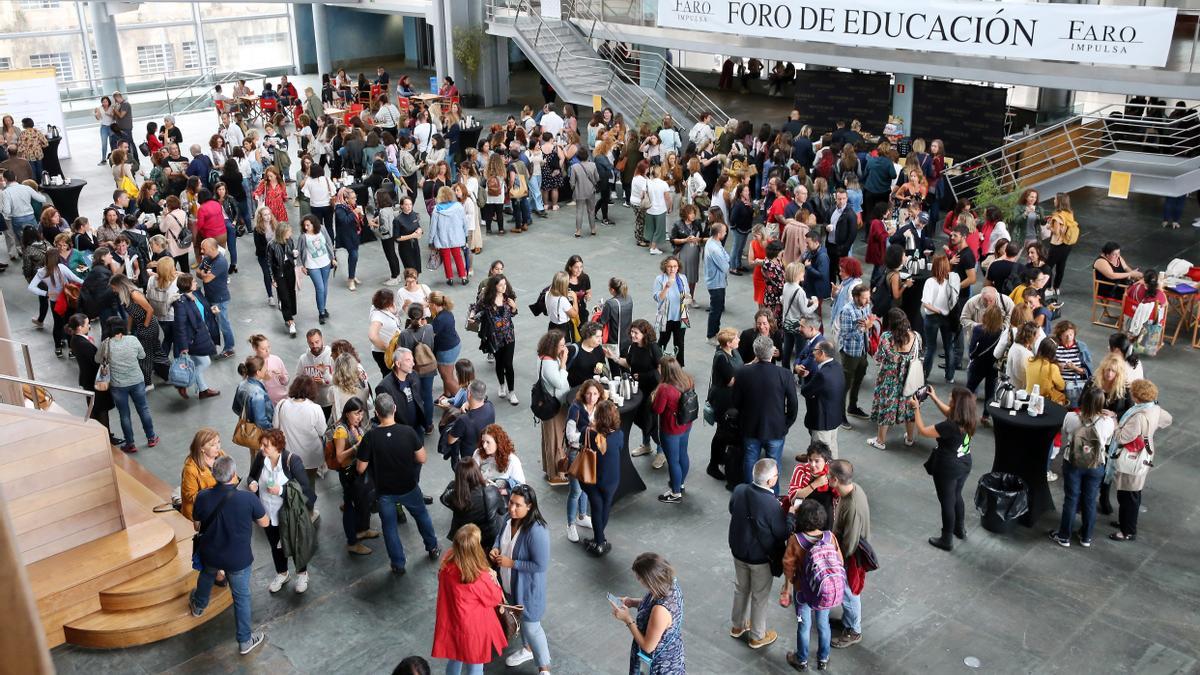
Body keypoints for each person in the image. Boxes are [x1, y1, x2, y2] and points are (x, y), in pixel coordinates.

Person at [188, 455, 269, 655]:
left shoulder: (203, 496)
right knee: (241, 597)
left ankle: (198, 606)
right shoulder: (247, 499)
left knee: (207, 575)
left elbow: (197, 525)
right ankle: (244, 641)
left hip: (211, 554)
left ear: (214, 475)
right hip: (238, 559)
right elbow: (265, 523)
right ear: (233, 475)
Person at [357, 394, 441, 574]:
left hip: (385, 492)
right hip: (409, 486)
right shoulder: (408, 432)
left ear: (377, 413)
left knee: (389, 528)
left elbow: (360, 468)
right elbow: (422, 458)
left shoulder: (370, 437)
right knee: (421, 516)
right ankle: (432, 547)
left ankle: (398, 564)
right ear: (394, 409)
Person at [488, 484, 552, 672]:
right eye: (510, 503)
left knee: (532, 627)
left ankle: (544, 668)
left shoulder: (537, 531)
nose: (511, 508)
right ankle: (527, 649)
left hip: (528, 590)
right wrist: (495, 547)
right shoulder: (510, 518)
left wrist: (512, 563)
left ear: (530, 506)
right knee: (520, 619)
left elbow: (541, 565)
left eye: (517, 505)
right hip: (510, 586)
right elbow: (500, 537)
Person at [246, 428, 316, 594]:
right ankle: (282, 573)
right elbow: (251, 476)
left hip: (288, 514)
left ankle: (302, 574)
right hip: (267, 514)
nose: (262, 449)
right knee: (275, 546)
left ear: (277, 446)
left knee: (295, 542)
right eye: (261, 445)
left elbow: (305, 489)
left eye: (266, 445)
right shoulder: (261, 458)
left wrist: (281, 491)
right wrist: (252, 483)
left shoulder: (292, 461)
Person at [431, 523, 507, 675]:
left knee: (455, 658)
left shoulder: (447, 561)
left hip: (453, 622)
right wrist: (494, 578)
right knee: (475, 664)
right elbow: (494, 598)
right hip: (474, 629)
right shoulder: (478, 576)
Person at [728, 458, 787, 650]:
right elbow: (781, 533)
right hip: (760, 558)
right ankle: (756, 636)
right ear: (770, 481)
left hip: (738, 551)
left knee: (741, 588)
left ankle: (737, 626)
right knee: (759, 596)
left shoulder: (739, 490)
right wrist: (792, 516)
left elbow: (732, 509)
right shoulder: (771, 505)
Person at [911, 386, 977, 551]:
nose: (949, 398)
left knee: (947, 502)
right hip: (964, 463)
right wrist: (934, 398)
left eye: (951, 398)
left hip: (947, 466)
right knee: (957, 495)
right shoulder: (968, 418)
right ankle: (959, 529)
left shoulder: (950, 427)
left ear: (957, 403)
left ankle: (946, 539)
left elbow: (924, 431)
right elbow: (949, 412)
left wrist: (916, 408)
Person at [1049, 387, 1116, 548]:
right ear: (1102, 403)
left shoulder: (1071, 417)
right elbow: (1106, 442)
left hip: (1072, 463)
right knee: (1090, 500)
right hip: (1096, 464)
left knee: (1071, 499)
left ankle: (1064, 536)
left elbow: (1066, 432)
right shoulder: (1107, 422)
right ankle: (1086, 536)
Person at [781, 498, 843, 672]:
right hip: (824, 591)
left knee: (804, 625)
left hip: (803, 592)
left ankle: (801, 659)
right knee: (823, 624)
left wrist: (789, 586)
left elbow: (788, 566)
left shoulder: (796, 540)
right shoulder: (830, 537)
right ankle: (823, 658)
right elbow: (839, 560)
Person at [1111, 379, 1171, 542]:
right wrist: (1149, 432)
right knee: (1134, 492)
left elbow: (1121, 437)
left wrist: (1115, 422)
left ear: (1137, 397)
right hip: (1145, 452)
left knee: (1127, 494)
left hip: (1132, 456)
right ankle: (1126, 523)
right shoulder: (1155, 409)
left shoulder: (1138, 416)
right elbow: (1168, 419)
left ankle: (1127, 531)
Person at [611, 552, 685, 674]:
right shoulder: (669, 583)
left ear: (650, 580)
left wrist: (627, 619)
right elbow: (650, 604)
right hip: (673, 652)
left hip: (657, 664)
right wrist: (632, 602)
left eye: (639, 578)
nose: (638, 580)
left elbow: (648, 646)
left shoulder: (660, 611)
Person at [827, 460, 870, 650]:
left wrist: (836, 561)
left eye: (829, 476)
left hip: (850, 556)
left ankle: (854, 630)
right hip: (848, 550)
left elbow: (850, 543)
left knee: (849, 592)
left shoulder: (852, 506)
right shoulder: (853, 489)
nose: (826, 478)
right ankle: (847, 622)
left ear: (835, 480)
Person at [102, 317, 159, 452]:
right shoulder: (133, 339)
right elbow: (142, 355)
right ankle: (151, 438)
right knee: (143, 409)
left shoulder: (106, 344)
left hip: (118, 385)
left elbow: (98, 359)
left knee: (124, 414)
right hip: (136, 381)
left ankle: (130, 443)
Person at [868, 310, 921, 450]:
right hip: (910, 378)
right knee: (910, 407)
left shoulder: (886, 337)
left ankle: (880, 441)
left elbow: (878, 358)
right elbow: (919, 356)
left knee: (887, 407)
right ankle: (909, 438)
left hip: (889, 379)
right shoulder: (916, 336)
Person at [651, 357, 694, 505]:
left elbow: (657, 409)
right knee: (683, 454)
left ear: (664, 370)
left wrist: (653, 397)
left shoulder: (665, 388)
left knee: (673, 461)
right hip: (686, 424)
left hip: (671, 428)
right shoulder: (687, 379)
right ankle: (680, 484)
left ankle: (675, 494)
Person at [564, 380, 604, 542]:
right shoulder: (575, 408)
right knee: (576, 491)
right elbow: (570, 436)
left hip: (590, 451)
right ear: (583, 393)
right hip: (576, 452)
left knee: (587, 487)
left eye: (595, 394)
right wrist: (589, 432)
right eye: (589, 393)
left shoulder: (599, 408)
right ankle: (570, 524)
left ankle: (582, 515)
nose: (591, 397)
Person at [68, 314, 117, 443]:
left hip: (87, 379)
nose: (89, 326)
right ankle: (107, 437)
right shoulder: (83, 344)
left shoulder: (75, 340)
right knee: (102, 408)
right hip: (94, 380)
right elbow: (96, 362)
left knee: (94, 407)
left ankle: (98, 433)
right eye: (87, 324)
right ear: (79, 327)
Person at [274, 375, 328, 483]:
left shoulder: (282, 404)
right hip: (311, 456)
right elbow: (322, 431)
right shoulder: (315, 408)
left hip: (289, 456)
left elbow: (275, 427)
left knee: (292, 484)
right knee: (310, 484)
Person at [441, 456, 506, 545]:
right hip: (488, 535)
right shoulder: (491, 492)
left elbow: (443, 499)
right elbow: (502, 511)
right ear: (477, 472)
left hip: (466, 537)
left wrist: (455, 485)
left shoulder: (455, 495)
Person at [536, 330, 571, 486]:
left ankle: (550, 468)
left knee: (550, 438)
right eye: (561, 345)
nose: (564, 348)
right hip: (555, 406)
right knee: (556, 439)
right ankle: (556, 474)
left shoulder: (544, 357)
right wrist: (563, 364)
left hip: (550, 404)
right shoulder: (550, 362)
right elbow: (559, 383)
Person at [802, 341, 847, 458]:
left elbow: (806, 391)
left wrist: (805, 378)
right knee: (832, 447)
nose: (812, 353)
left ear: (821, 353)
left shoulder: (822, 375)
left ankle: (823, 475)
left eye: (814, 351)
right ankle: (834, 472)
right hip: (834, 417)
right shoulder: (837, 366)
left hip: (822, 421)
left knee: (819, 454)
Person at [479, 273, 520, 401]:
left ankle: (512, 391)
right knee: (499, 363)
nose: (504, 287)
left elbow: (513, 313)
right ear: (494, 286)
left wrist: (514, 307)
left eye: (505, 284)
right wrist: (472, 317)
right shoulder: (487, 300)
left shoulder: (509, 298)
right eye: (500, 285)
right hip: (494, 336)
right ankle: (502, 385)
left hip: (508, 335)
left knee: (508, 363)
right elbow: (476, 309)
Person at [376, 346, 429, 434]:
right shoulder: (384, 387)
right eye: (408, 360)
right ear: (398, 363)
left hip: (417, 427)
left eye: (412, 360)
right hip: (401, 431)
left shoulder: (414, 375)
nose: (413, 364)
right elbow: (385, 415)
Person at [651, 255, 689, 366]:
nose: (672, 269)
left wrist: (687, 300)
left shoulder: (682, 278)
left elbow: (687, 295)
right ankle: (656, 363)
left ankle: (679, 366)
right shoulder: (660, 279)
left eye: (675, 266)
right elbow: (657, 298)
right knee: (663, 341)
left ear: (678, 267)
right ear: (665, 267)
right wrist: (667, 287)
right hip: (666, 317)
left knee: (679, 343)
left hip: (681, 316)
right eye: (669, 267)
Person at [298, 214, 336, 323]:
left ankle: (323, 307)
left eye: (308, 225)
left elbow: (328, 243)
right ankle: (321, 312)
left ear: (314, 224)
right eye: (305, 225)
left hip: (325, 263)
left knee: (324, 287)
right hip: (312, 265)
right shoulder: (303, 237)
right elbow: (299, 251)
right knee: (320, 288)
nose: (306, 227)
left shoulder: (322, 229)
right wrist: (302, 266)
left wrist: (332, 257)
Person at [446, 380, 496, 463]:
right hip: (485, 451)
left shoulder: (463, 420)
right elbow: (484, 401)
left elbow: (450, 440)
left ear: (469, 394)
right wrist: (467, 403)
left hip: (469, 458)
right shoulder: (490, 407)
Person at [429, 185, 470, 285]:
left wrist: (431, 240)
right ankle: (463, 277)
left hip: (442, 238)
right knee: (458, 256)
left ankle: (449, 278)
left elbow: (433, 227)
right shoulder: (459, 207)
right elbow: (465, 223)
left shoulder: (436, 210)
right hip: (457, 237)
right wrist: (465, 235)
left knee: (446, 258)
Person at [266, 221, 299, 336]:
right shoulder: (272, 245)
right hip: (279, 272)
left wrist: (294, 255)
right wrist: (272, 279)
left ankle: (289, 313)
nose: (290, 233)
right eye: (288, 231)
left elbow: (291, 254)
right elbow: (269, 263)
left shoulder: (289, 240)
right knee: (284, 296)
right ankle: (290, 321)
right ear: (282, 232)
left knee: (291, 292)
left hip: (289, 269)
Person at [297, 328, 335, 419]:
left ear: (322, 340)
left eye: (317, 342)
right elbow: (298, 378)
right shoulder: (303, 359)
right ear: (307, 342)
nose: (314, 345)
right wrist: (308, 382)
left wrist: (323, 382)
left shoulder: (332, 357)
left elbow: (338, 381)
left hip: (329, 402)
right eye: (311, 343)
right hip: (311, 403)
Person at [233, 356, 274, 434]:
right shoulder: (258, 394)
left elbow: (235, 408)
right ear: (258, 372)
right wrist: (272, 428)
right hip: (262, 432)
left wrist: (248, 418)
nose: (267, 370)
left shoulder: (241, 385)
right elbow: (260, 421)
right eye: (265, 368)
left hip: (249, 431)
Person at [704, 222, 731, 338]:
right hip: (716, 283)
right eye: (724, 232)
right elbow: (725, 267)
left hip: (717, 282)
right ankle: (711, 335)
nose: (725, 234)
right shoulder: (715, 248)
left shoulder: (713, 241)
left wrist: (726, 259)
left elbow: (727, 257)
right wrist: (726, 261)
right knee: (716, 311)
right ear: (719, 234)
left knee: (718, 309)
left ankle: (715, 331)